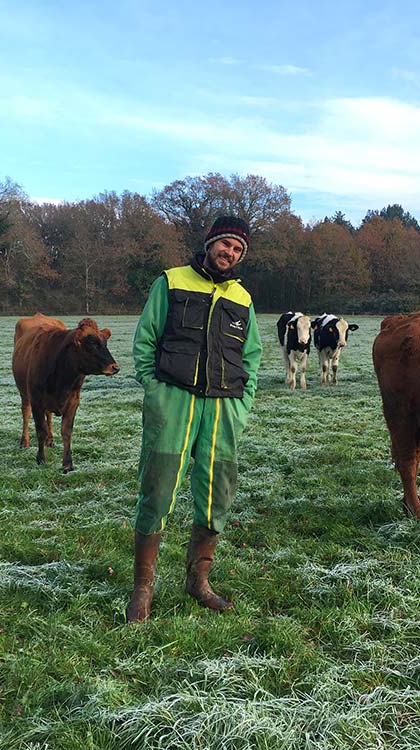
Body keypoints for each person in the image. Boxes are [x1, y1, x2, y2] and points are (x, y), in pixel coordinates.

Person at [127, 216, 263, 622]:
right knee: (158, 488)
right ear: (210, 244)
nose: (230, 254)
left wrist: (244, 401)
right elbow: (145, 339)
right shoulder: (170, 281)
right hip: (174, 401)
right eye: (226, 245)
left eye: (238, 250)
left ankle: (198, 581)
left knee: (216, 494)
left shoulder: (243, 298)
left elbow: (251, 357)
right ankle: (141, 590)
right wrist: (155, 390)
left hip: (223, 409)